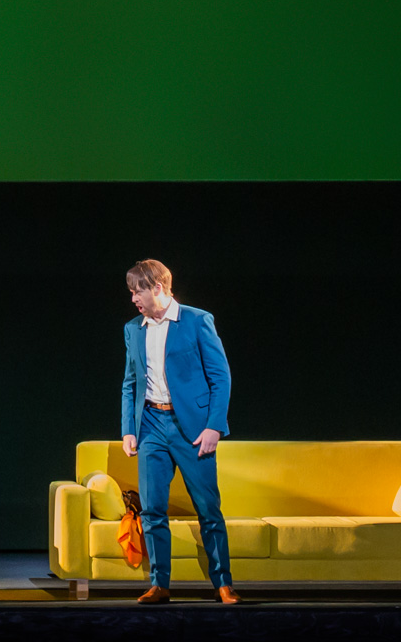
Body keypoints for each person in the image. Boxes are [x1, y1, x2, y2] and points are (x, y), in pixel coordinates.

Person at [120, 259, 241, 605]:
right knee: (152, 509)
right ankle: (159, 584)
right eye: (131, 292)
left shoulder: (197, 321)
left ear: (158, 287)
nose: (133, 299)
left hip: (192, 428)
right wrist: (129, 429)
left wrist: (214, 426)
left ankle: (223, 584)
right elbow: (130, 382)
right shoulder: (133, 329)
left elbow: (220, 377)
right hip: (151, 426)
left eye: (137, 291)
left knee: (208, 508)